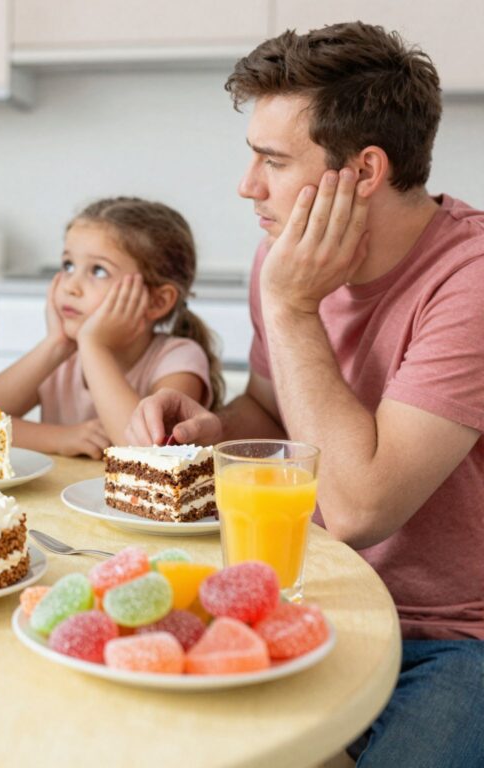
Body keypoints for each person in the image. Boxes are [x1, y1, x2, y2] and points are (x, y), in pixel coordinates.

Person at [127, 22, 484, 765]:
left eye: (272, 160)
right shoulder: (281, 253)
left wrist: (290, 309)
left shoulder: (469, 279)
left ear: (364, 171)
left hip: (449, 638)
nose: (247, 184)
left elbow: (359, 508)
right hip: (309, 596)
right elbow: (270, 410)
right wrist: (210, 425)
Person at [0, 197, 223, 458]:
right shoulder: (63, 358)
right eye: (68, 265)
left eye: (99, 271)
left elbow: (152, 454)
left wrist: (94, 345)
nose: (71, 286)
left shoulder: (178, 357)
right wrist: (56, 346)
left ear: (158, 301)